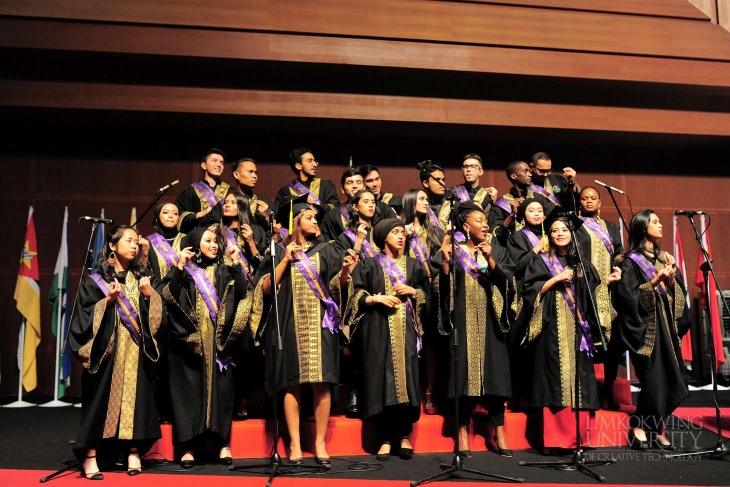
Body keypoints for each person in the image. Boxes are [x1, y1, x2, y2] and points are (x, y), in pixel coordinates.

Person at [251, 195, 356, 465]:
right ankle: (295, 445)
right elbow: (265, 289)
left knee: (322, 383)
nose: (315, 221)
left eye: (316, 218)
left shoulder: (329, 250)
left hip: (321, 325)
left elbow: (337, 288)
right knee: (291, 384)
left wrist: (345, 273)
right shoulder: (276, 250)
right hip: (288, 325)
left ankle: (319, 444)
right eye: (309, 217)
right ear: (295, 221)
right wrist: (285, 260)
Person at [69, 225, 164, 479]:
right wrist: (107, 302)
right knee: (100, 401)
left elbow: (156, 319)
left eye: (136, 242)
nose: (134, 246)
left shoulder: (144, 278)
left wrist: (147, 297)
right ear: (112, 245)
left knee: (137, 401)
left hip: (135, 351)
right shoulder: (95, 281)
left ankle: (133, 452)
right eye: (129, 241)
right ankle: (90, 456)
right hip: (106, 352)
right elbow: (83, 317)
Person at [520, 213, 621, 450]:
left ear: (572, 234)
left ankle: (579, 439)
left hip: (578, 331)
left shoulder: (583, 264)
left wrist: (608, 283)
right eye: (554, 230)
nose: (560, 234)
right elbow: (531, 291)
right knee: (553, 380)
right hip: (550, 330)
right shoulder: (541, 261)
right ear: (549, 236)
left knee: (579, 379)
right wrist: (556, 279)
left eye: (564, 230)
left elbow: (594, 294)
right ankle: (555, 441)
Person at [162, 225, 252, 468]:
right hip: (189, 344)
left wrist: (236, 264)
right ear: (194, 244)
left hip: (220, 345)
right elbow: (170, 296)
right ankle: (187, 447)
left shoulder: (225, 270)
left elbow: (243, 294)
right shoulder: (184, 271)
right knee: (189, 394)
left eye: (215, 241)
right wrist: (180, 267)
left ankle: (223, 444)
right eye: (208, 240)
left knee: (222, 393)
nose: (214, 245)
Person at [345, 218, 430, 461]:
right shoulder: (370, 265)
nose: (401, 236)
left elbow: (427, 296)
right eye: (395, 232)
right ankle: (382, 438)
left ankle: (403, 436)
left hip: (406, 331)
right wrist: (376, 299)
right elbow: (356, 294)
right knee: (379, 380)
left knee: (406, 381)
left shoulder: (414, 266)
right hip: (377, 330)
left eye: (403, 232)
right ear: (384, 238)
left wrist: (414, 292)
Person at [437, 202, 515, 457]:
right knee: (463, 377)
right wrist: (446, 267)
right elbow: (443, 291)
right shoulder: (454, 252)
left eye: (485, 220)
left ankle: (499, 430)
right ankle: (462, 431)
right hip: (463, 322)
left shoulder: (498, 250)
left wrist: (491, 260)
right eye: (478, 220)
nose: (485, 224)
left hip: (491, 323)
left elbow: (508, 285)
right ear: (465, 226)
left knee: (495, 376)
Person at [614, 209, 690, 451]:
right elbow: (628, 298)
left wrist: (669, 279)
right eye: (655, 222)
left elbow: (677, 297)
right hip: (646, 330)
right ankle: (640, 427)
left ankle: (655, 429)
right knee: (654, 380)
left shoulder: (662, 258)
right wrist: (656, 281)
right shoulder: (630, 261)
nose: (660, 225)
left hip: (666, 328)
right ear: (642, 226)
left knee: (671, 378)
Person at [575, 186, 624, 410]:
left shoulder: (612, 227)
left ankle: (609, 388)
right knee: (586, 338)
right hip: (585, 291)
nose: (588, 202)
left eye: (593, 198)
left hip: (610, 292)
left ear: (600, 202)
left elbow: (619, 254)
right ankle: (588, 388)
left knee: (612, 343)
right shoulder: (574, 226)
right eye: (584, 198)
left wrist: (620, 264)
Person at [221, 192, 267, 419]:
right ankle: (225, 400)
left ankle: (245, 399)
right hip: (223, 295)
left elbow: (264, 265)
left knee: (247, 349)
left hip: (250, 297)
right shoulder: (216, 231)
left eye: (231, 202)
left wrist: (250, 242)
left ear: (241, 206)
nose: (226, 205)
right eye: (225, 202)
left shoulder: (256, 231)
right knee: (225, 348)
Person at [400, 188, 445, 414]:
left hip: (430, 289)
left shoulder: (434, 231)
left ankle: (429, 390)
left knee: (431, 343)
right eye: (421, 199)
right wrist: (404, 239)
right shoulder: (399, 228)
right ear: (410, 202)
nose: (427, 202)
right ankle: (409, 391)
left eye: (427, 199)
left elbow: (441, 260)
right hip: (406, 286)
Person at [489, 160, 554, 244]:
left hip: (540, 245)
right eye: (525, 171)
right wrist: (511, 215)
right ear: (513, 176)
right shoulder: (500, 204)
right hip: (514, 248)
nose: (530, 174)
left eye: (530, 171)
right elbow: (495, 234)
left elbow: (555, 217)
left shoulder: (538, 197)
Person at [322, 168, 390, 241]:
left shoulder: (382, 208)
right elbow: (330, 242)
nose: (355, 186)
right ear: (342, 189)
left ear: (364, 187)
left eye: (359, 182)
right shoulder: (334, 215)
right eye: (350, 183)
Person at [175, 148, 233, 234]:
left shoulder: (230, 191)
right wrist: (197, 215)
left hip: (224, 237)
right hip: (198, 236)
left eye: (222, 163)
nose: (219, 165)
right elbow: (179, 215)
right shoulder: (190, 191)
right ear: (204, 165)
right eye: (214, 161)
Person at [273, 147, 340, 213]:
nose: (315, 164)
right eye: (310, 161)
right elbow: (277, 215)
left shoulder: (326, 185)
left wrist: (316, 204)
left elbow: (335, 208)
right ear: (298, 166)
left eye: (314, 161)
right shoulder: (285, 191)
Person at [143, 202, 185, 282]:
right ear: (157, 217)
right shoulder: (147, 242)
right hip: (155, 290)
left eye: (175, 213)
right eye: (166, 212)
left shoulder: (187, 239)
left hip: (182, 291)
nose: (170, 216)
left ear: (178, 218)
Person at [231, 157, 274, 228]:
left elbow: (278, 228)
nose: (255, 176)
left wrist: (267, 217)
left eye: (255, 173)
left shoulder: (264, 202)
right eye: (250, 172)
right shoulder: (226, 202)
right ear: (236, 175)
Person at [417, 160, 451, 230]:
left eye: (443, 180)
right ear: (426, 183)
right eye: (437, 180)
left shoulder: (450, 202)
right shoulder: (417, 204)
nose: (443, 184)